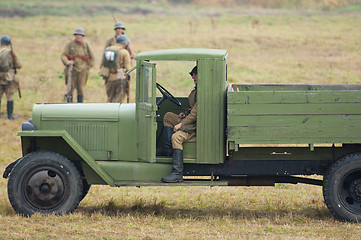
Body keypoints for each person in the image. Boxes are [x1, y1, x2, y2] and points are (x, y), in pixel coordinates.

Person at [159, 66, 198, 183]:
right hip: (190, 121)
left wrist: (181, 124)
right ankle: (167, 150)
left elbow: (195, 114)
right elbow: (193, 110)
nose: (192, 76)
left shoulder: (203, 92)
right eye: (192, 74)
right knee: (169, 116)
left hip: (195, 127)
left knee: (176, 137)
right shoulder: (197, 89)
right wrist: (185, 113)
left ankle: (177, 173)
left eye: (195, 74)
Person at [61, 27, 94, 103]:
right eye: (77, 35)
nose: (79, 36)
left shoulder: (86, 45)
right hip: (72, 70)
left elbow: (92, 58)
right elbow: (63, 55)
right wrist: (67, 62)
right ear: (75, 36)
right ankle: (69, 105)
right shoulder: (70, 44)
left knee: (81, 89)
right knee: (70, 88)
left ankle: (80, 106)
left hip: (82, 71)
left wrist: (87, 67)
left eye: (80, 35)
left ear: (83, 36)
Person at [99, 35, 131, 103]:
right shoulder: (124, 52)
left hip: (109, 77)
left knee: (109, 98)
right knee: (119, 99)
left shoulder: (107, 50)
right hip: (120, 77)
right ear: (124, 43)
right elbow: (128, 69)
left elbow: (102, 64)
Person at [0, 35, 22, 119]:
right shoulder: (10, 52)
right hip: (9, 78)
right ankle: (10, 115)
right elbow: (19, 65)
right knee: (10, 96)